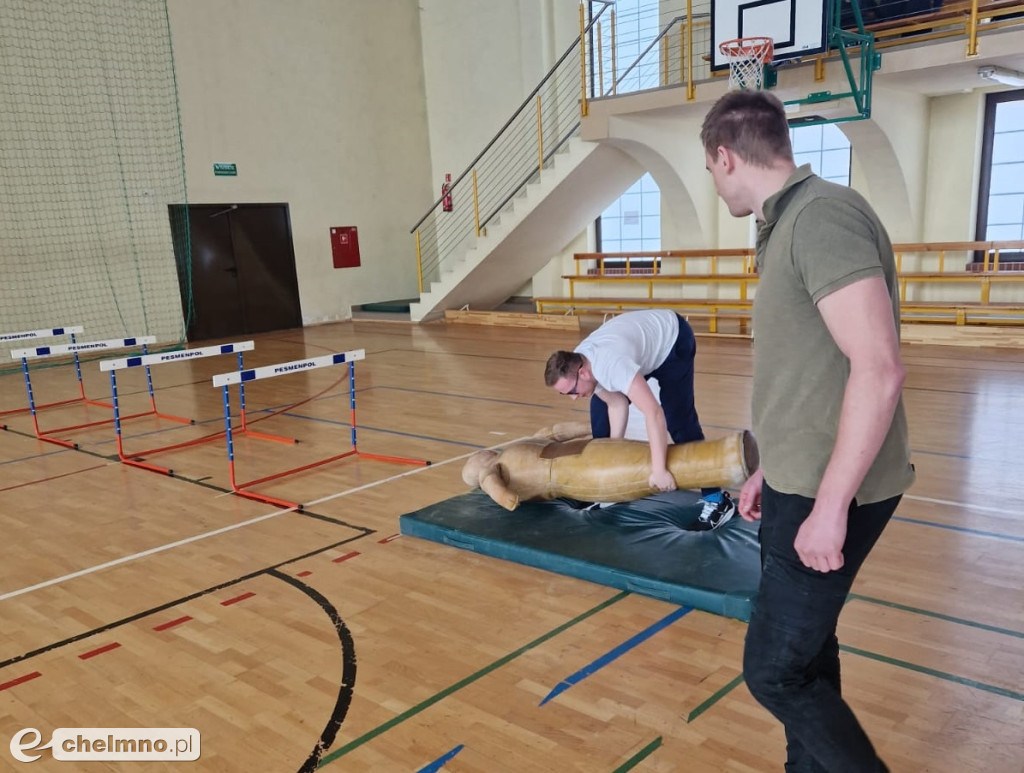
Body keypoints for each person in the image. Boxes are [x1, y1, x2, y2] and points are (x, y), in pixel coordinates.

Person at [701, 90, 914, 772]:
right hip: (800, 476)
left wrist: (827, 507)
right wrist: (772, 466)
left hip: (834, 491)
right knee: (808, 652)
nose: (714, 182)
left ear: (726, 156)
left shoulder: (821, 216)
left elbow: (878, 369)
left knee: (775, 671)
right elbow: (809, 371)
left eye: (710, 169)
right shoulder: (784, 222)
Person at [544, 309, 737, 529]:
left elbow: (653, 413)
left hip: (673, 342)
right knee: (600, 414)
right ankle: (610, 488)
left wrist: (659, 470)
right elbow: (616, 404)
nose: (573, 398)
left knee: (679, 420)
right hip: (641, 348)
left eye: (571, 391)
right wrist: (612, 455)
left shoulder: (611, 365)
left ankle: (717, 500)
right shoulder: (581, 360)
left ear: (583, 373)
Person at [461, 421, 757, 513]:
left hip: (586, 457)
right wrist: (507, 498)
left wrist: (586, 428)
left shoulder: (509, 452)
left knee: (658, 460)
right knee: (653, 466)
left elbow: (553, 432)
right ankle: (731, 458)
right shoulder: (491, 472)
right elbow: (501, 494)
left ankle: (730, 456)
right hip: (578, 469)